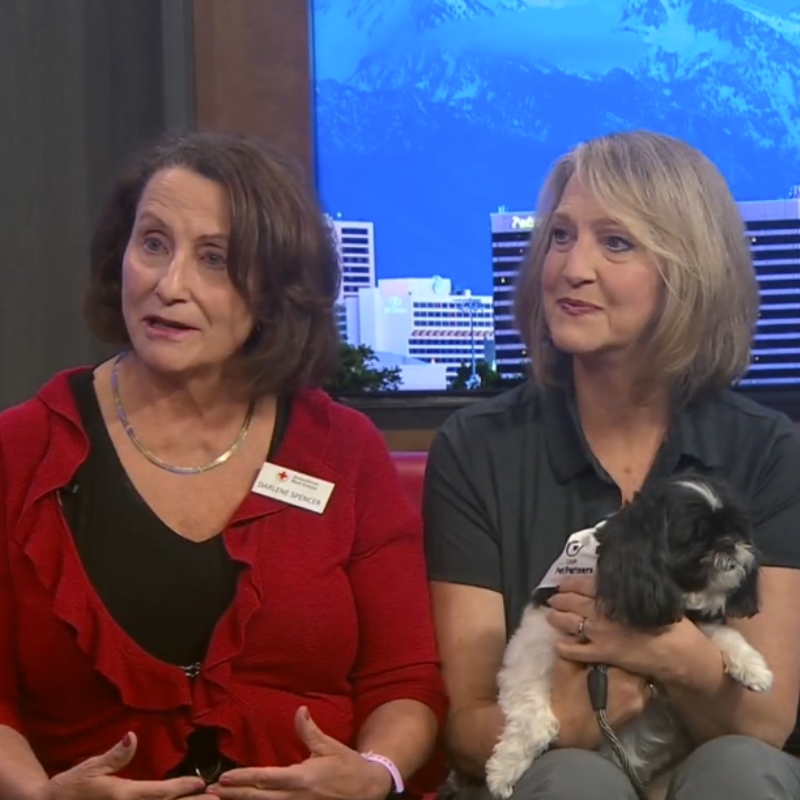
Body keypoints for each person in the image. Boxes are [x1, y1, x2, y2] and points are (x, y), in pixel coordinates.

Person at [0, 131, 447, 800]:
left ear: (275, 292)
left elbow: (404, 681)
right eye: (152, 243)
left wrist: (373, 774)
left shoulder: (342, 451)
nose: (168, 284)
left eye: (215, 259)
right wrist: (37, 797)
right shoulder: (22, 450)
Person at [423, 130, 800, 800]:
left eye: (616, 242)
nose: (572, 267)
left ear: (689, 271)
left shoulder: (768, 450)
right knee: (571, 778)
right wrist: (569, 722)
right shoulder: (476, 446)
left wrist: (661, 651)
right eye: (560, 236)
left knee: (742, 771)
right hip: (548, 767)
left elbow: (765, 722)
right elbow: (467, 724)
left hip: (711, 764)